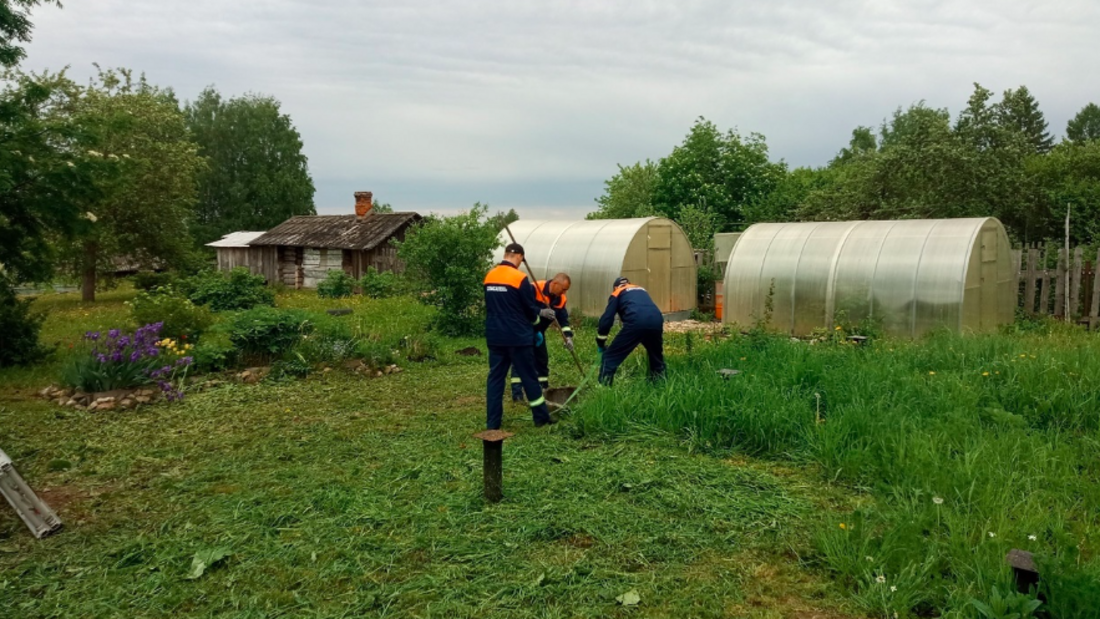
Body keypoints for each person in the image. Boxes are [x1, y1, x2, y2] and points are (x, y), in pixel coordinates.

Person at [483, 243, 556, 429]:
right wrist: (537, 328)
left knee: (495, 379)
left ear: (505, 254)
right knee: (529, 377)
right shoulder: (519, 278)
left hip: (495, 335)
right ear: (520, 257)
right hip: (518, 337)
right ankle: (541, 418)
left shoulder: (489, 276)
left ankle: (493, 423)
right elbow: (530, 310)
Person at [510, 273, 573, 401]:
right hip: (524, 329)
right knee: (521, 359)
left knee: (541, 359)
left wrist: (568, 337)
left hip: (539, 332)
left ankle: (543, 389)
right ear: (555, 284)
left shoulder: (560, 299)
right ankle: (517, 393)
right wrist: (540, 312)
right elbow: (523, 307)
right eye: (563, 289)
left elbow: (563, 320)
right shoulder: (534, 288)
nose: (564, 292)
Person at [595, 276, 665, 385]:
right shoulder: (641, 289)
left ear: (615, 287)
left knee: (609, 357)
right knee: (656, 358)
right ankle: (661, 387)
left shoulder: (617, 292)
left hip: (636, 321)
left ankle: (603, 392)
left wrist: (601, 341)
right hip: (656, 320)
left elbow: (607, 319)